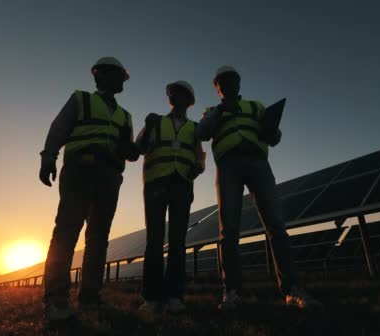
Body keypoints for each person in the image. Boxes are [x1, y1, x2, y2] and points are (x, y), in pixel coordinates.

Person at [196, 66, 323, 310]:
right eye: (220, 81)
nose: (226, 83)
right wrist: (220, 112)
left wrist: (272, 129)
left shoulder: (256, 107)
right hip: (228, 166)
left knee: (275, 224)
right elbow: (202, 132)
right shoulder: (212, 111)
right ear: (217, 88)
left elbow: (274, 138)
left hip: (258, 163)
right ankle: (231, 292)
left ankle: (291, 290)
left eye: (230, 79)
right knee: (229, 229)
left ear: (238, 84)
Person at [38, 56, 139, 323]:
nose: (123, 82)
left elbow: (128, 150)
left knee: (98, 239)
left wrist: (132, 151)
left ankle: (90, 299)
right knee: (67, 233)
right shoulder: (81, 100)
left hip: (109, 177)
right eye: (119, 76)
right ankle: (56, 301)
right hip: (80, 171)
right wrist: (48, 157)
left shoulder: (124, 115)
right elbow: (59, 127)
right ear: (101, 75)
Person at [135, 80, 205, 314]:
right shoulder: (156, 121)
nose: (174, 96)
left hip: (182, 185)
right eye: (171, 93)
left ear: (189, 100)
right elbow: (139, 149)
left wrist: (198, 166)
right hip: (156, 182)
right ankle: (152, 298)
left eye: (179, 93)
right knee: (154, 239)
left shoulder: (195, 129)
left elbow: (200, 157)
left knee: (177, 241)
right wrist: (146, 127)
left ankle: (174, 295)